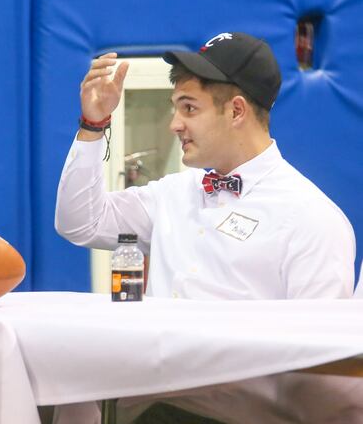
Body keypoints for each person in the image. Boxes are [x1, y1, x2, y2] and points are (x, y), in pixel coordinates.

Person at [53, 32, 359, 422]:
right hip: (146, 406)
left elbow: (323, 364)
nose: (174, 125)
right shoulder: (173, 193)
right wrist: (93, 124)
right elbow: (80, 222)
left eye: (189, 109)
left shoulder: (312, 218)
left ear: (235, 111)